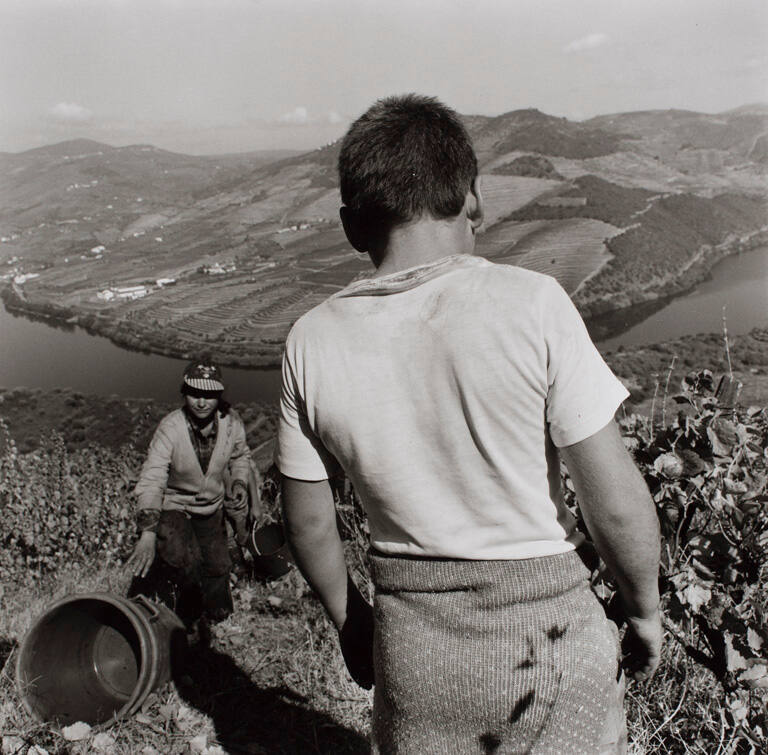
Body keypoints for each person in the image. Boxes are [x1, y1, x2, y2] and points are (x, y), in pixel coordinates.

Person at [275, 94, 662, 753]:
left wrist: (351, 621)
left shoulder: (310, 341)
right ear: (473, 199)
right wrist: (644, 609)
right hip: (553, 645)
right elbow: (615, 505)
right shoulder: (532, 303)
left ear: (351, 227)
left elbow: (308, 523)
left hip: (416, 654)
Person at [126, 358, 252, 631]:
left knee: (218, 565)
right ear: (184, 393)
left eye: (209, 395)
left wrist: (239, 483)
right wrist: (147, 532)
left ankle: (218, 620)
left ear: (219, 396)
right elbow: (153, 477)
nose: (202, 402)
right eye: (195, 394)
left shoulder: (231, 424)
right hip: (175, 505)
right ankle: (181, 619)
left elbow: (240, 456)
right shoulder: (170, 428)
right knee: (183, 558)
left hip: (211, 507)